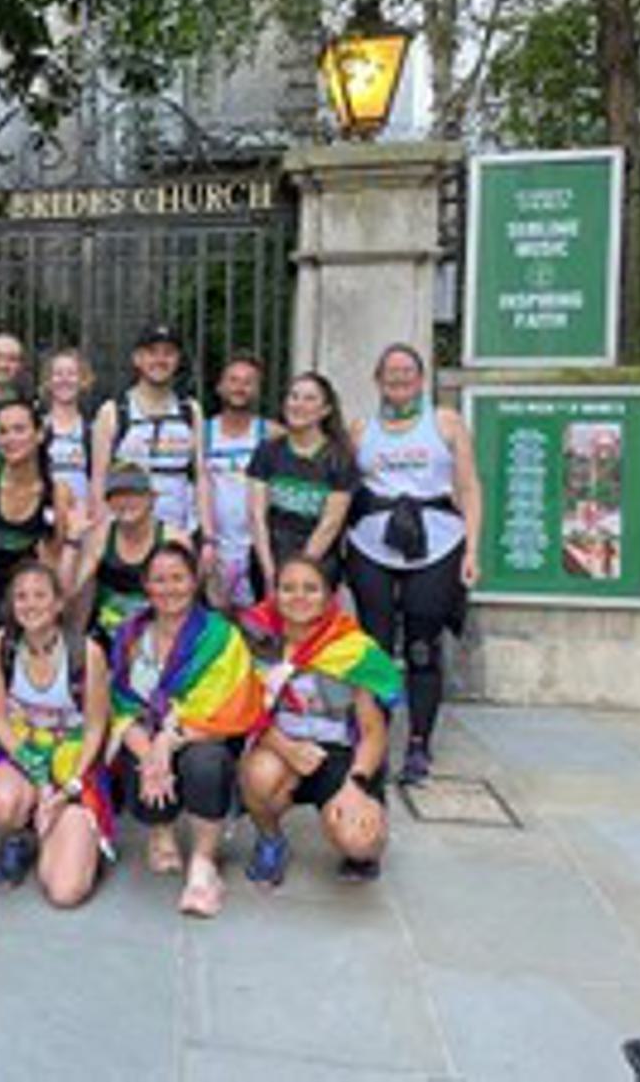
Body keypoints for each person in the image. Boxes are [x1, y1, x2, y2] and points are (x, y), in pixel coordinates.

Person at [347, 343, 483, 785]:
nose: (400, 378)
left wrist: (472, 551)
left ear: (422, 378)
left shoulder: (446, 422)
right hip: (372, 543)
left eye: (408, 370)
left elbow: (467, 487)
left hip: (437, 541)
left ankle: (420, 741)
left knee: (422, 644)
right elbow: (344, 490)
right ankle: (373, 738)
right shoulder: (361, 428)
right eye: (391, 371)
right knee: (375, 646)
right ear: (378, 380)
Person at [107, 542, 266, 918]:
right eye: (158, 580)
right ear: (145, 585)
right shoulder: (131, 634)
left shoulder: (220, 636)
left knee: (205, 763)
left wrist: (167, 740)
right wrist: (150, 755)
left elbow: (226, 711)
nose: (169, 589)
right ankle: (159, 830)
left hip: (201, 735)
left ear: (194, 581)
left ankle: (204, 862)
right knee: (133, 749)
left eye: (178, 578)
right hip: (149, 733)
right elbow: (122, 704)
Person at [240, 555, 404, 886]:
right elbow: (241, 711)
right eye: (288, 588)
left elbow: (373, 732)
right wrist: (287, 749)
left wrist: (355, 785)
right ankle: (270, 840)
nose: (298, 597)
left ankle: (355, 848)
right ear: (275, 593)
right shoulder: (256, 639)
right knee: (258, 775)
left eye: (311, 589)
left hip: (342, 754)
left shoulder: (353, 650)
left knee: (362, 842)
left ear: (331, 595)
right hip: (279, 746)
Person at [0, 562, 112, 908]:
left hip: (74, 766)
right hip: (24, 757)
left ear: (58, 604)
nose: (30, 604)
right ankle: (20, 835)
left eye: (40, 595)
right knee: (0, 800)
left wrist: (67, 790)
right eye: (21, 596)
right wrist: (39, 780)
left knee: (64, 893)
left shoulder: (87, 653)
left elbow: (97, 727)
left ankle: (69, 836)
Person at [0, 397, 76, 631]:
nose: (10, 439)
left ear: (39, 434)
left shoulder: (58, 493)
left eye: (19, 430)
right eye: (3, 432)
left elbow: (52, 561)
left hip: (23, 594)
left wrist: (44, 616)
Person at [89, 324, 213, 549]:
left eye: (168, 353)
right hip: (127, 536)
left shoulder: (190, 410)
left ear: (178, 360)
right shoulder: (114, 411)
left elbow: (201, 477)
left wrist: (207, 537)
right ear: (137, 358)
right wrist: (102, 536)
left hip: (179, 533)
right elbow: (99, 479)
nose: (160, 360)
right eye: (152, 352)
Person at [247, 371, 357, 597]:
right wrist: (269, 572)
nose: (298, 404)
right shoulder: (267, 451)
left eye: (309, 399)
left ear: (325, 410)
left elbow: (330, 524)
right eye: (294, 396)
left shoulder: (340, 457)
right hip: (270, 555)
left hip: (318, 561)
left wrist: (298, 576)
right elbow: (256, 515)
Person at [70, 462, 189, 642]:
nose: (126, 501)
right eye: (119, 495)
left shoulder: (174, 539)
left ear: (151, 499)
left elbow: (187, 600)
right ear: (108, 502)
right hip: (107, 634)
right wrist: (72, 540)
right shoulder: (100, 538)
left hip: (160, 635)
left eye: (135, 493)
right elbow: (72, 590)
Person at [203, 352, 270, 612]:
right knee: (218, 623)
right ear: (220, 386)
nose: (240, 387)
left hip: (255, 547)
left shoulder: (271, 433)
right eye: (233, 380)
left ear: (257, 389)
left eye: (248, 381)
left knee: (258, 626)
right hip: (215, 547)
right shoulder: (204, 431)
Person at [39, 348, 95, 513]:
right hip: (44, 522)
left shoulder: (92, 430)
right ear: (47, 381)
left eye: (72, 374)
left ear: (84, 380)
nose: (64, 380)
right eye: (57, 374)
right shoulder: (37, 428)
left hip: (82, 522)